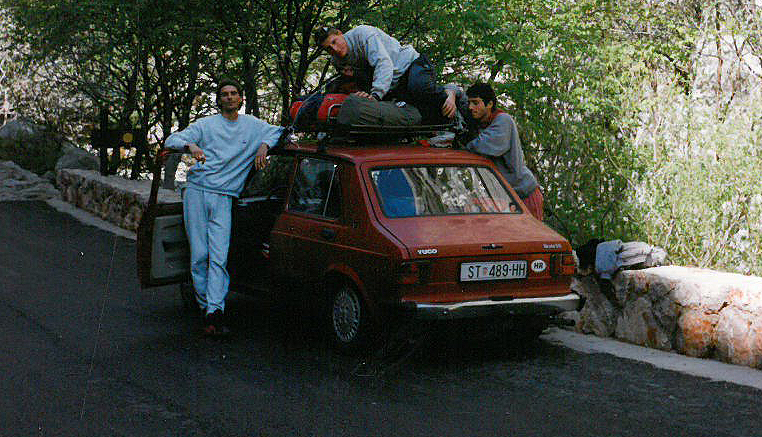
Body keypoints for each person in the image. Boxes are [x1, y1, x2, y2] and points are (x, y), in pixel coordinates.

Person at [164, 78, 284, 337]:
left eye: (234, 93)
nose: (229, 97)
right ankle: (207, 308)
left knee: (219, 255)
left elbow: (280, 130)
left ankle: (215, 311)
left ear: (240, 99)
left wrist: (264, 146)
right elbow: (172, 140)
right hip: (197, 192)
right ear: (219, 100)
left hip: (225, 196)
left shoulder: (253, 126)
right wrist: (191, 145)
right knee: (200, 254)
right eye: (224, 94)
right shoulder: (206, 125)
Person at [313, 25, 458, 123]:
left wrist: (375, 95)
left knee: (419, 89)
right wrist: (364, 95)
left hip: (411, 64)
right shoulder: (337, 61)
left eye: (334, 42)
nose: (335, 49)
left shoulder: (363, 35)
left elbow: (383, 63)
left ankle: (452, 92)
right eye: (329, 48)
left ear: (339, 33)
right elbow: (360, 80)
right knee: (404, 110)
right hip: (393, 82)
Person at [464, 82, 544, 221]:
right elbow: (453, 90)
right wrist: (451, 95)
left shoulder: (503, 121)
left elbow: (481, 146)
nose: (470, 107)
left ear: (489, 104)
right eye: (469, 103)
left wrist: (463, 142)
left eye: (476, 103)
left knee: (529, 239)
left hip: (524, 193)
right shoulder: (482, 123)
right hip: (506, 196)